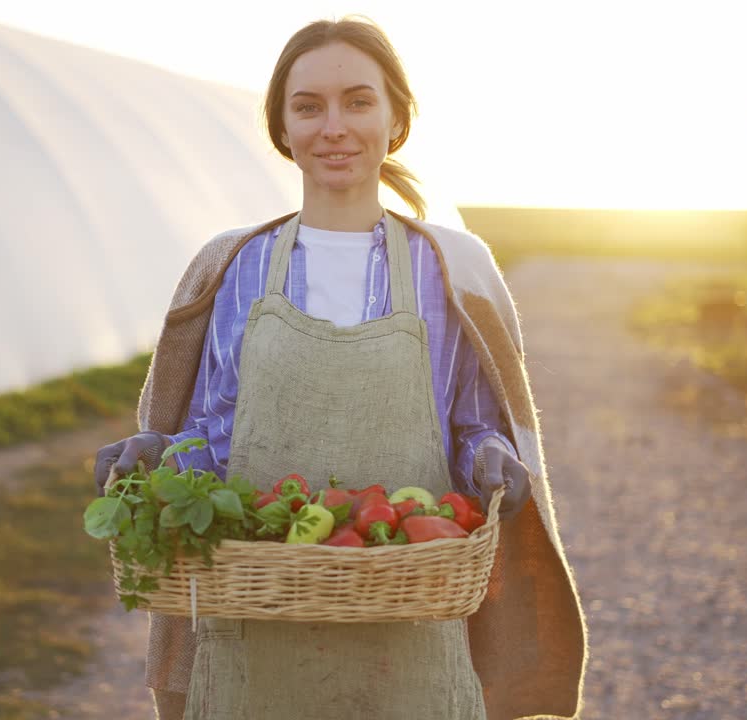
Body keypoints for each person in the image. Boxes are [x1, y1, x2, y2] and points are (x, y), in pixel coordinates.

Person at [94, 17, 587, 720]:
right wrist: (162, 455)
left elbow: (472, 426)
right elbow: (217, 433)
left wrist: (493, 459)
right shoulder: (234, 267)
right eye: (308, 106)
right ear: (282, 129)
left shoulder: (451, 266)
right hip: (258, 619)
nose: (334, 127)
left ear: (395, 121)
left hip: (410, 624)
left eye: (358, 101)